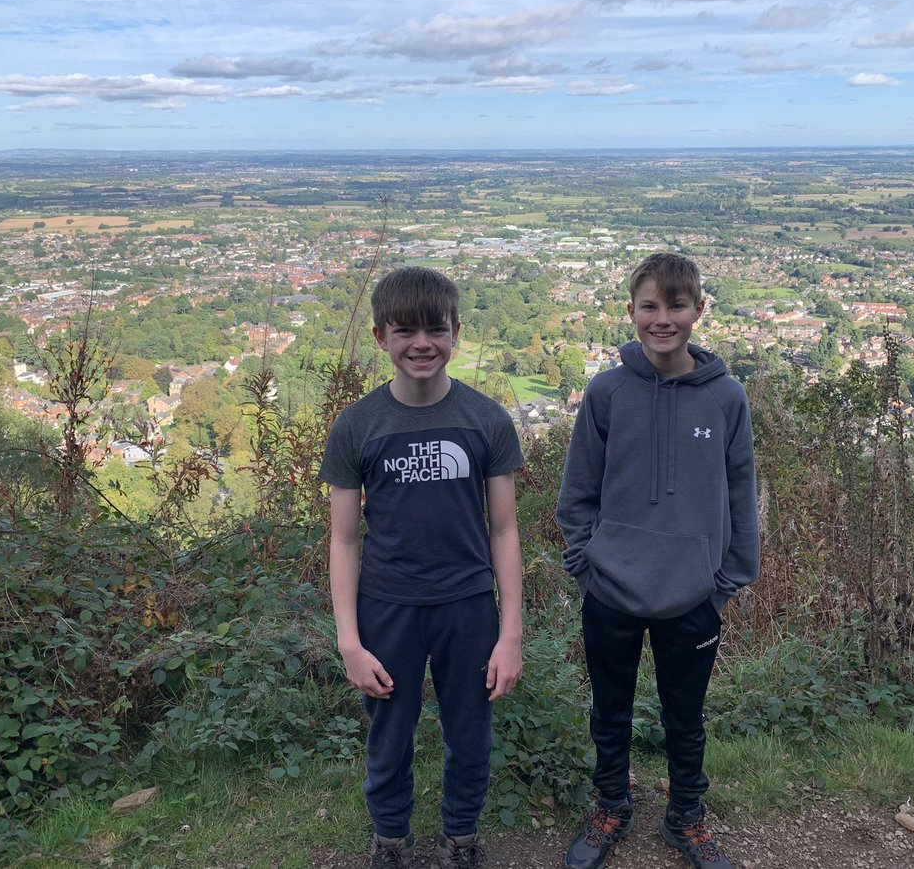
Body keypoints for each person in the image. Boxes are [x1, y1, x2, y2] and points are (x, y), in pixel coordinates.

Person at [555, 252, 760, 869]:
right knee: (609, 709)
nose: (663, 318)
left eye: (676, 305)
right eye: (650, 306)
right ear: (632, 312)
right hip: (611, 587)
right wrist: (586, 564)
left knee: (685, 716)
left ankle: (685, 818)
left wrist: (726, 581)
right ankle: (612, 805)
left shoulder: (726, 398)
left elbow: (740, 493)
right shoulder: (607, 390)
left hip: (693, 593)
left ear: (699, 310)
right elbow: (577, 491)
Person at [320, 266, 525, 869]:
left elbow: (505, 530)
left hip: (467, 606)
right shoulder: (357, 425)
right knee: (388, 738)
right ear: (381, 336)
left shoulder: (486, 420)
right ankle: (391, 840)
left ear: (455, 333)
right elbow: (343, 539)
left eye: (435, 329)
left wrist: (510, 632)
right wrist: (349, 641)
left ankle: (460, 838)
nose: (421, 343)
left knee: (471, 736)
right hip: (388, 607)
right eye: (404, 330)